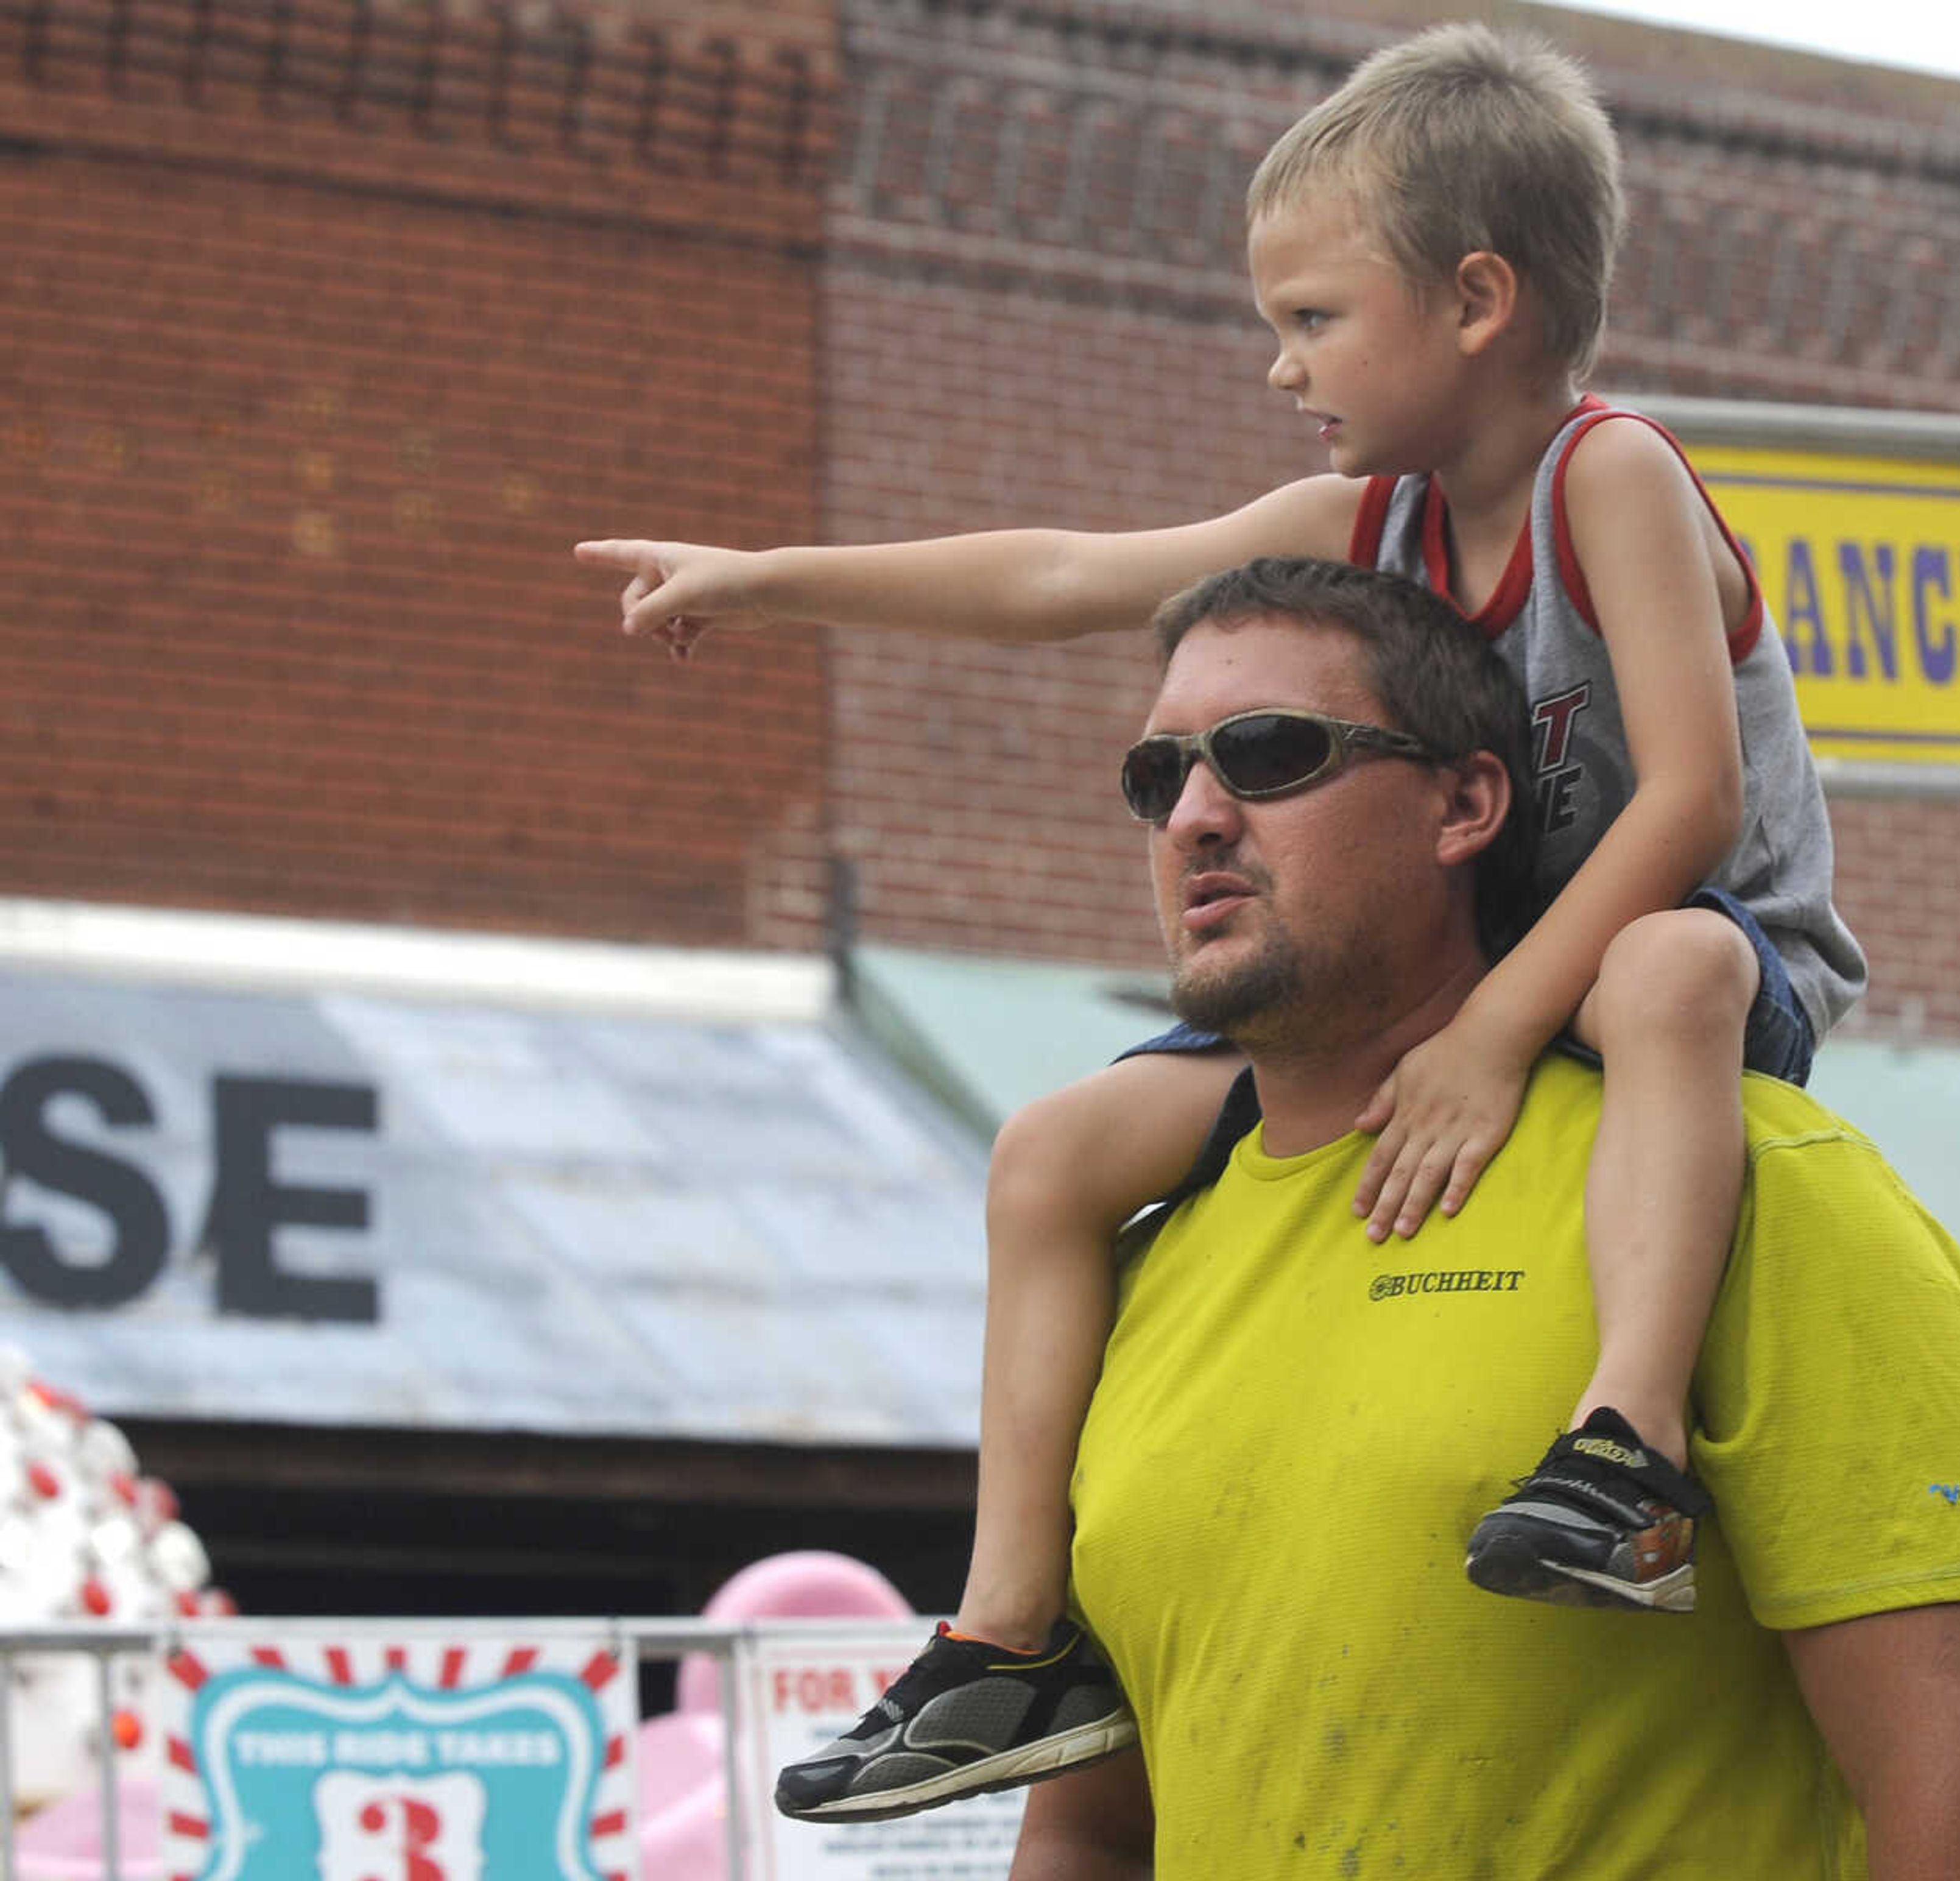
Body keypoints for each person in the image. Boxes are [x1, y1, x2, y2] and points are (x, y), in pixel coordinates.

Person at [579, 22, 1866, 1822]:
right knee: (1053, 1149)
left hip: (1711, 958)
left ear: (1479, 298)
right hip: (1475, 976)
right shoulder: (1374, 514)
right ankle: (1017, 1635)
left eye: (1315, 320)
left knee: (1667, 964)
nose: (1281, 368)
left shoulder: (1612, 478)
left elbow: (1692, 811)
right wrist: (767, 579)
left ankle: (1626, 1459)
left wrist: (1495, 1036)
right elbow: (1067, 573)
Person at [1015, 556, 1960, 1878]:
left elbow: (1957, 1768)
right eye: (1159, 777)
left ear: (1466, 803)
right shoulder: (1139, 1265)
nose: (1196, 819)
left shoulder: (1761, 1182)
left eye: (1268, 754)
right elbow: (1091, 1835)